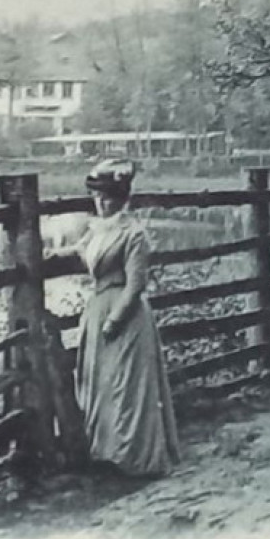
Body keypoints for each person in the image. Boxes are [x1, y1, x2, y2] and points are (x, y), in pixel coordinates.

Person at [73, 158, 179, 480]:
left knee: (126, 386)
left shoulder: (133, 234)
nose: (101, 203)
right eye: (97, 197)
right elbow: (78, 252)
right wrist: (47, 256)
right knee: (100, 383)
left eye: (108, 198)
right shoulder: (96, 230)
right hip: (96, 308)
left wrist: (115, 320)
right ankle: (104, 451)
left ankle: (133, 457)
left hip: (125, 315)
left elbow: (136, 284)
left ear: (122, 200)